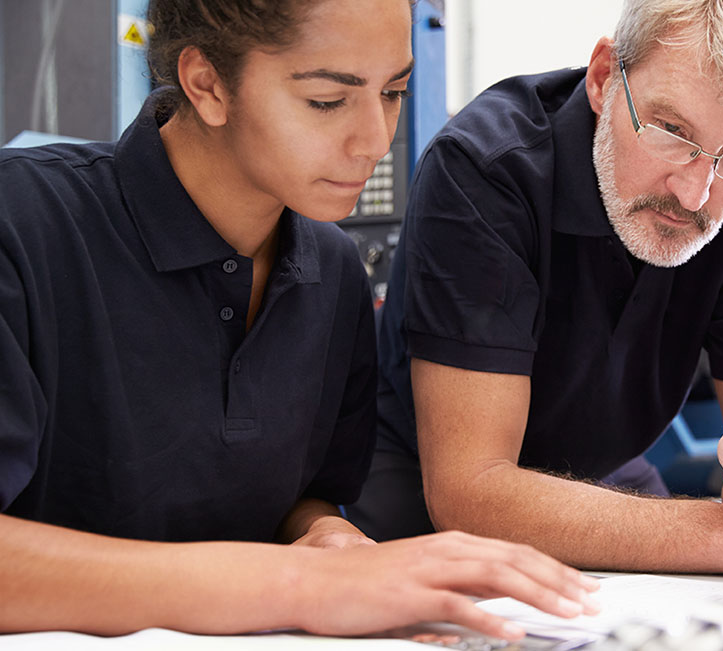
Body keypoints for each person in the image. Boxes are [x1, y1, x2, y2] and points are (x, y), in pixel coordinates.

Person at [0, 0, 598, 640]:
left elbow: (300, 499)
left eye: (393, 92)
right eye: (326, 101)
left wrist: (328, 537)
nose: (375, 139)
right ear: (207, 84)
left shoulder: (333, 270)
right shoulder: (24, 227)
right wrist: (298, 587)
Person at [350, 0, 723, 582]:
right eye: (671, 130)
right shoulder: (486, 170)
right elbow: (471, 491)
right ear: (605, 78)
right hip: (423, 487)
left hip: (606, 475)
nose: (694, 193)